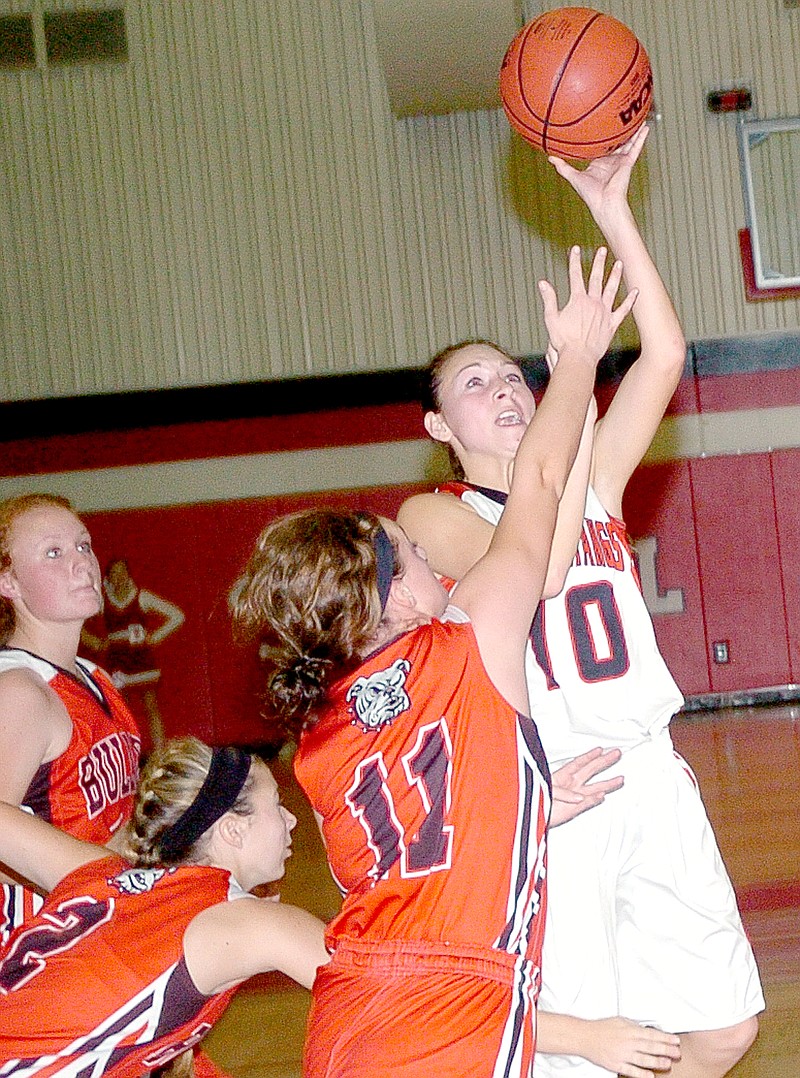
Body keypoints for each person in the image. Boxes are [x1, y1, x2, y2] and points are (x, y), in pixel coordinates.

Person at [397, 127, 764, 1078]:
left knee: (721, 1030)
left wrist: (613, 212)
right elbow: (540, 569)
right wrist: (570, 381)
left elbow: (666, 355)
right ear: (441, 426)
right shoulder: (430, 518)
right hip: (554, 796)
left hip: (646, 769)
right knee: (575, 1056)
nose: (502, 388)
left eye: (511, 372)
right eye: (472, 384)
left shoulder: (590, 474)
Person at [232, 247, 641, 1077]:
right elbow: (541, 477)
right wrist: (578, 364)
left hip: (349, 1020)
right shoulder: (472, 637)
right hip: (449, 1020)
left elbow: (421, 833)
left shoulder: (319, 738)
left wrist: (524, 800)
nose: (425, 549)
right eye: (410, 550)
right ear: (401, 601)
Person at [0, 735, 329, 1078]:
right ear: (232, 830)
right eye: (277, 805)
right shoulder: (245, 922)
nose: (291, 819)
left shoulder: (102, 871)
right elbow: (371, 985)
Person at [0, 493, 141, 943]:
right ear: (10, 584)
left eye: (84, 545)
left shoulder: (96, 677)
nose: (81, 564)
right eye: (53, 553)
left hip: (103, 919)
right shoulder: (20, 692)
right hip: (40, 943)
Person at [83, 556, 186, 752]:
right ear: (109, 578)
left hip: (142, 660)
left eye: (123, 573)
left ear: (128, 575)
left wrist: (155, 637)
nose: (119, 578)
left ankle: (159, 756)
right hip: (118, 662)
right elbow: (79, 624)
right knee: (122, 710)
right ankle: (127, 753)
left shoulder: (141, 596)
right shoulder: (103, 602)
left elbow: (177, 615)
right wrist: (95, 643)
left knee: (151, 707)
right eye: (115, 574)